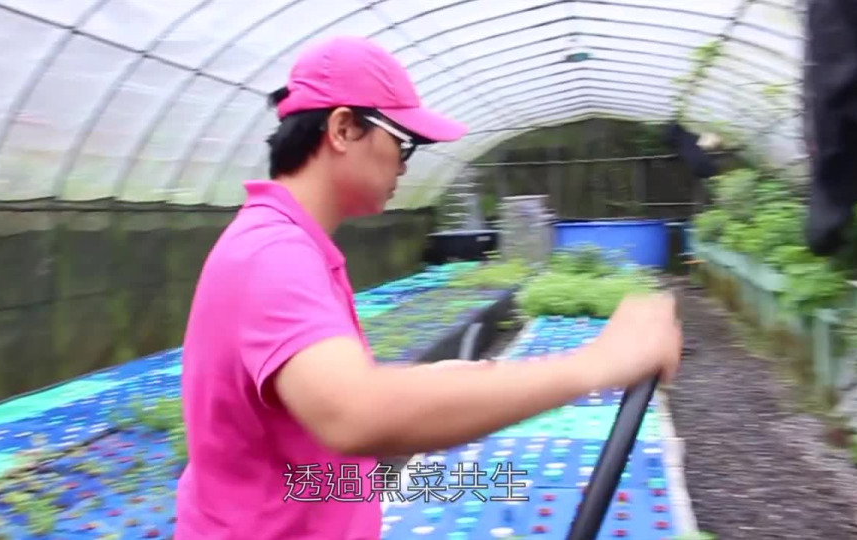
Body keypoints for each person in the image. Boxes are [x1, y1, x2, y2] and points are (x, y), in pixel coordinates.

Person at [173, 35, 683, 540]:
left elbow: (317, 408)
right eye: (402, 142)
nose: (403, 163)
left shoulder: (288, 243)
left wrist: (426, 384)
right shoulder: (273, 254)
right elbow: (355, 413)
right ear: (344, 129)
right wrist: (596, 364)